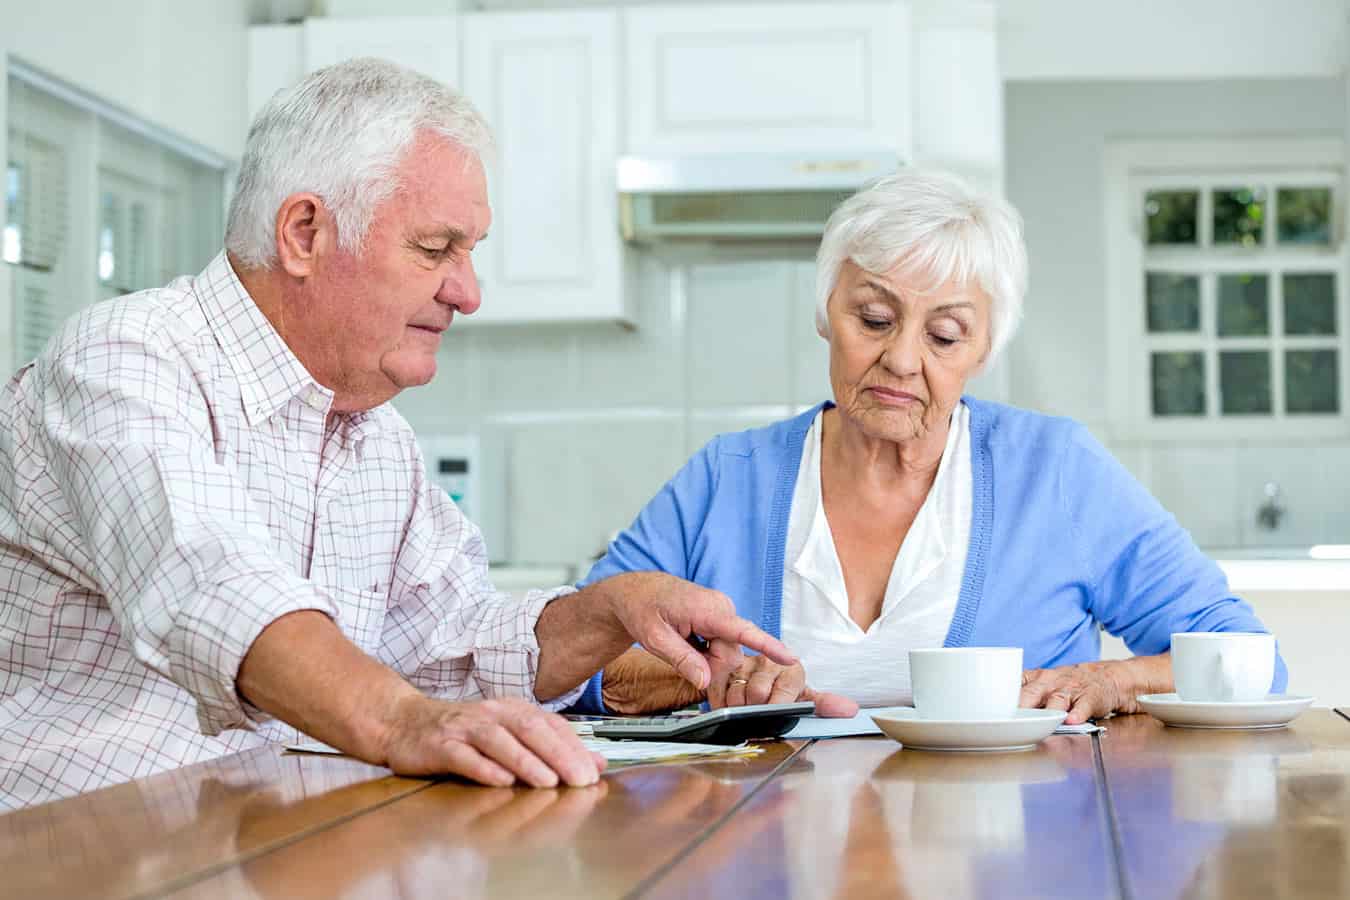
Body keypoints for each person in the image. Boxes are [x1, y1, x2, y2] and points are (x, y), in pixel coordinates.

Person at [0, 58, 796, 810]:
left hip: (269, 845)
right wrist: (404, 722)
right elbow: (213, 586)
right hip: (79, 849)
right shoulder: (125, 357)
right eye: (434, 248)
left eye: (470, 252)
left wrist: (606, 609)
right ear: (305, 232)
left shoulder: (375, 439)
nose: (469, 291)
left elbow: (453, 647)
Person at [571, 169, 1287, 723]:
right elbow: (569, 658)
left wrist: (1112, 680)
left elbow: (1247, 657)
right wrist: (704, 679)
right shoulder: (728, 478)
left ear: (983, 349)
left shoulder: (1055, 470)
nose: (904, 360)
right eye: (875, 318)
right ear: (827, 314)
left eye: (944, 335)